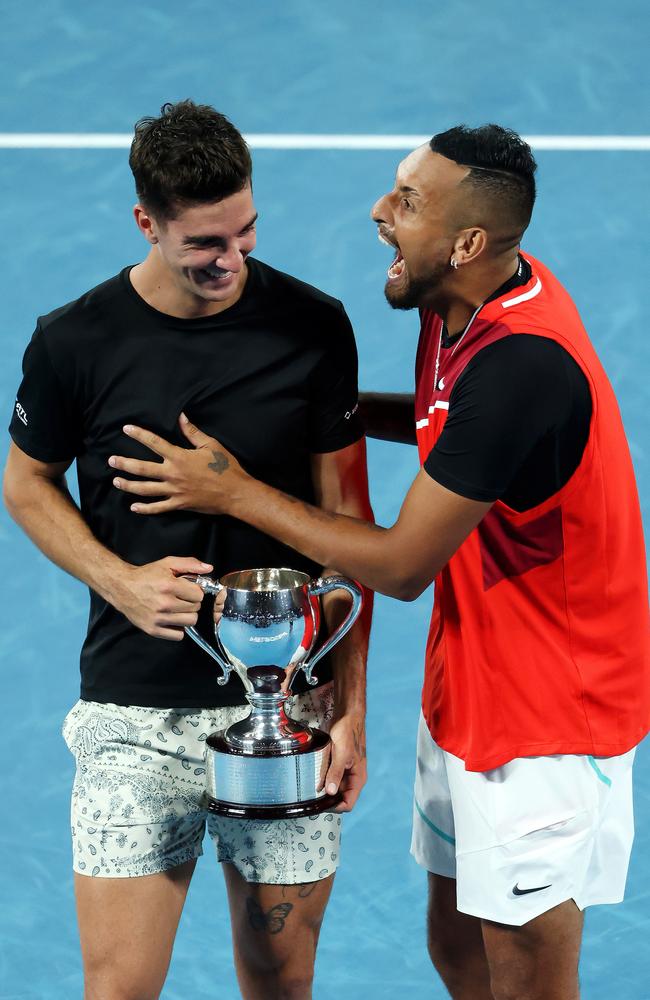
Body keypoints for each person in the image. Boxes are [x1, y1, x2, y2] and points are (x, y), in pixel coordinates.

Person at [106, 124, 650, 1000]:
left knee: (529, 982)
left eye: (407, 202)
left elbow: (400, 566)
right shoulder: (461, 305)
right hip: (473, 686)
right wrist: (314, 407)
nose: (378, 211)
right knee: (457, 949)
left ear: (466, 241)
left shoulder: (523, 370)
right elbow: (445, 420)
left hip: (548, 718)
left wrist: (234, 489)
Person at [4, 100, 373, 1000]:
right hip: (132, 715)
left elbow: (349, 527)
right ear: (147, 222)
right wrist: (118, 581)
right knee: (119, 989)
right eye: (206, 242)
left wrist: (352, 708)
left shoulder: (314, 327)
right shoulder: (74, 341)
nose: (232, 260)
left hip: (291, 715)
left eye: (245, 231)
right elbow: (24, 481)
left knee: (283, 984)